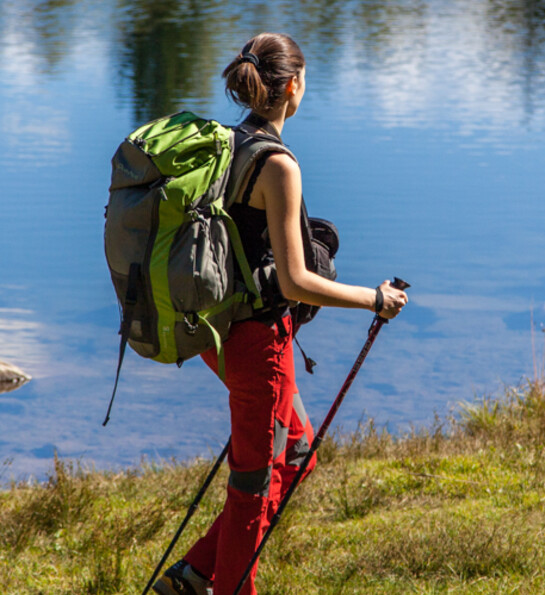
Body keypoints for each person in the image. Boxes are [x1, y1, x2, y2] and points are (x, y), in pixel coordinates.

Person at [153, 32, 408, 595]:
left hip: (218, 332)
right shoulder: (278, 166)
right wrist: (374, 298)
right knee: (252, 484)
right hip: (256, 347)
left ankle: (194, 574)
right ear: (293, 86)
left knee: (295, 456)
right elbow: (295, 280)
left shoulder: (226, 141)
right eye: (305, 79)